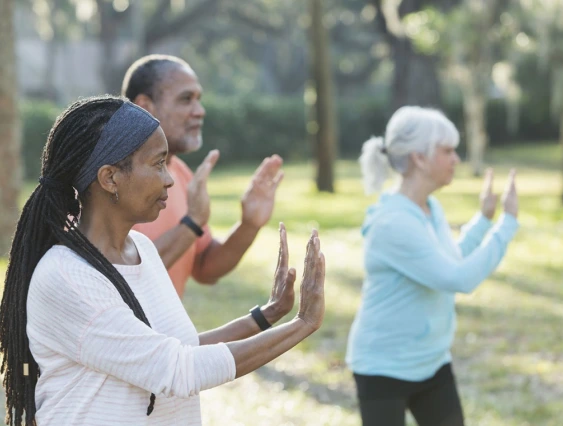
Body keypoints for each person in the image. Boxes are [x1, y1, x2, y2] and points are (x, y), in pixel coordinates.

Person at [0, 96, 326, 426]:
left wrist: (265, 315)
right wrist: (303, 324)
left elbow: (177, 351)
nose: (170, 179)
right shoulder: (67, 276)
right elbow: (177, 370)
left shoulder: (142, 249)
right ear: (110, 177)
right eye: (158, 164)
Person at [346, 106, 519, 426]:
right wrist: (506, 225)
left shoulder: (428, 208)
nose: (456, 159)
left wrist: (483, 221)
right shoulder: (393, 222)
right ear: (419, 158)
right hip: (382, 367)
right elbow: (458, 278)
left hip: (432, 362)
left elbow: (448, 259)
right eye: (447, 151)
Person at [121, 54, 283, 298]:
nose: (200, 111)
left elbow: (205, 268)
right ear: (145, 106)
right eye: (186, 99)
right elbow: (121, 277)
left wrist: (248, 225)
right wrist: (192, 222)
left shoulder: (180, 173)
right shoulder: (112, 178)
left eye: (198, 99)